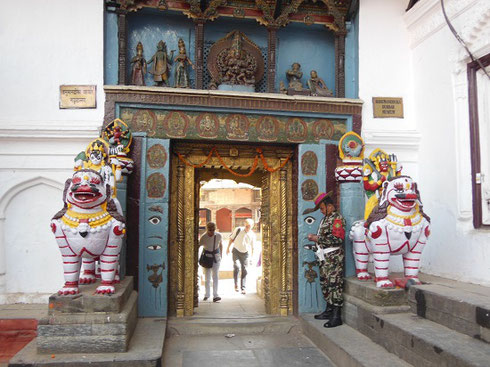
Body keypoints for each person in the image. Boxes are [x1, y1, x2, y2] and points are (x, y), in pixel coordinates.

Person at [306, 192, 346, 328]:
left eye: (322, 208)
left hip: (333, 258)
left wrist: (317, 239)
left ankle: (336, 316)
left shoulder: (337, 219)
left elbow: (338, 239)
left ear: (329, 206)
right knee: (326, 284)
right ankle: (329, 310)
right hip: (324, 258)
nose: (322, 211)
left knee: (335, 285)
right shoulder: (325, 219)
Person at [226, 218, 256, 294]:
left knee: (245, 269)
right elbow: (231, 239)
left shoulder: (252, 235)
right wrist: (228, 248)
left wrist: (252, 258)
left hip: (245, 253)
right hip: (236, 250)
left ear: (252, 226)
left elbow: (253, 248)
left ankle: (243, 287)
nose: (247, 227)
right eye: (246, 226)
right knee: (236, 266)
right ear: (244, 225)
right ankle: (236, 284)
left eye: (249, 226)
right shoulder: (238, 229)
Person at [199, 222, 223, 302]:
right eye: (210, 230)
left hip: (216, 258)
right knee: (207, 277)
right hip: (207, 258)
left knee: (215, 276)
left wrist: (221, 255)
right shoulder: (203, 237)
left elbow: (221, 244)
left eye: (213, 230)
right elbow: (198, 246)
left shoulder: (218, 235)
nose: (211, 232)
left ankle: (215, 295)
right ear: (207, 229)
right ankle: (207, 294)